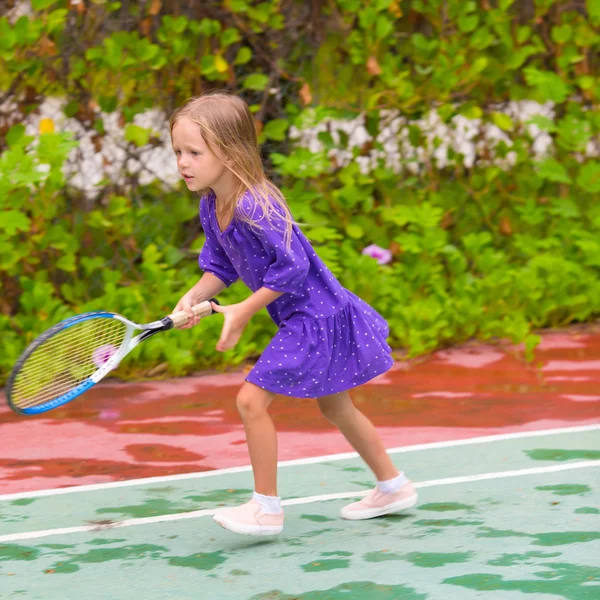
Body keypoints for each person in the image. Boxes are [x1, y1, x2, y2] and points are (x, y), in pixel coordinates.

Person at [171, 92, 417, 536]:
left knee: (250, 401)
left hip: (316, 317)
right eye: (178, 152)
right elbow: (221, 266)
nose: (183, 162)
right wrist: (192, 297)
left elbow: (294, 266)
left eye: (194, 152)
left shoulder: (254, 204)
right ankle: (394, 485)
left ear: (228, 152)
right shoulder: (212, 205)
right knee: (337, 407)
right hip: (304, 317)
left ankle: (266, 508)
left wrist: (244, 309)